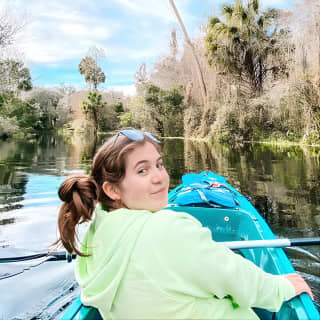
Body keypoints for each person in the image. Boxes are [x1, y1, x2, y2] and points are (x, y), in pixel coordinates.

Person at [56, 128, 313, 320]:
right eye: (142, 171)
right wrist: (280, 287)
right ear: (112, 189)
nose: (159, 177)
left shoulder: (97, 231)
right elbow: (233, 275)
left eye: (159, 164)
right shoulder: (169, 229)